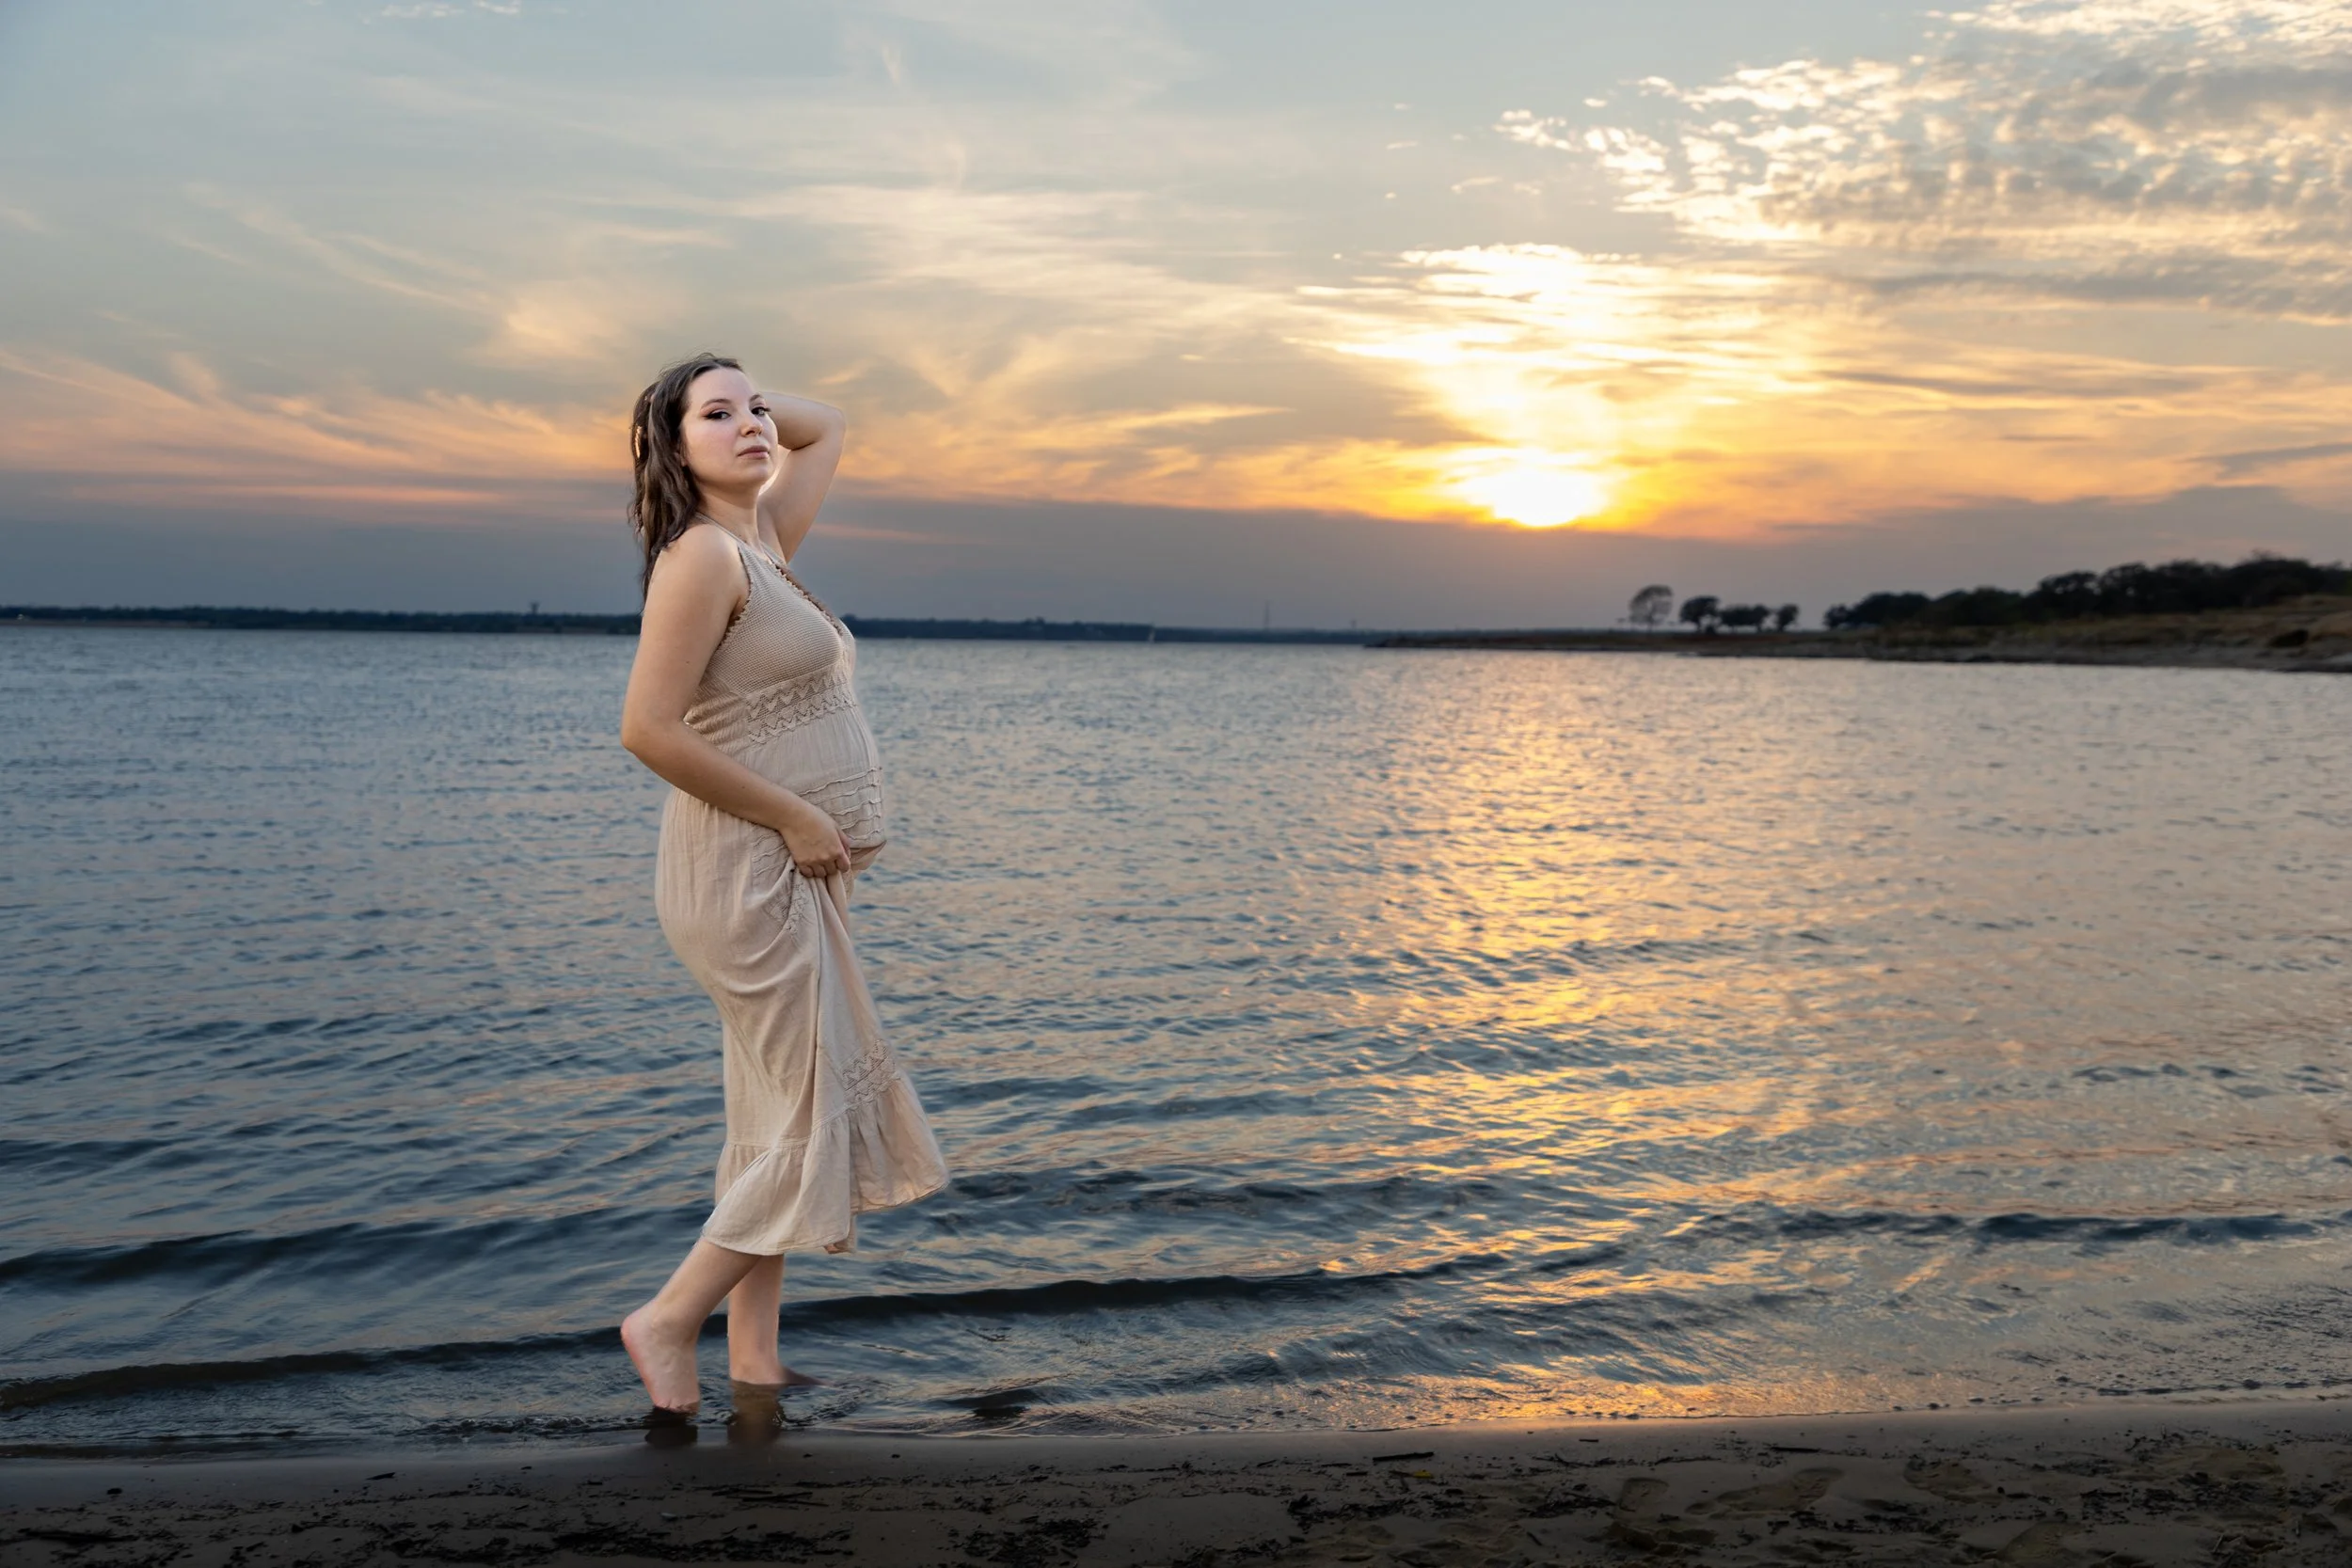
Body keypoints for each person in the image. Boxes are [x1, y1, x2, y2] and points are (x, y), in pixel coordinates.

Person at [614, 353, 947, 1417]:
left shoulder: (765, 543)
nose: (757, 424)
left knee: (771, 1114)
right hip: (745, 870)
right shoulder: (703, 556)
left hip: (786, 872)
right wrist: (800, 814)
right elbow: (646, 731)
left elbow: (829, 420)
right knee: (809, 1112)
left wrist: (732, 389)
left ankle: (752, 1354)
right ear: (670, 447)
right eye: (718, 416)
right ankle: (667, 1321)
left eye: (758, 407)